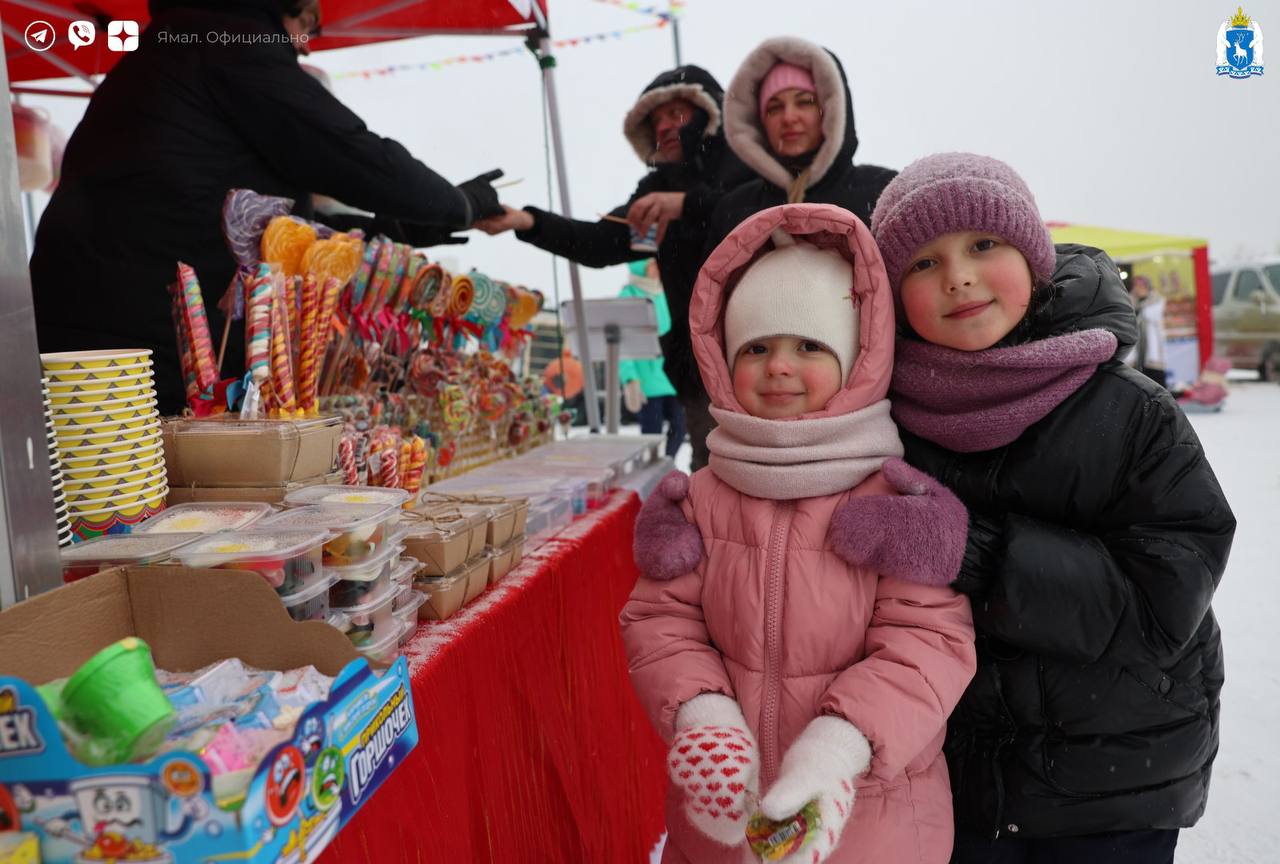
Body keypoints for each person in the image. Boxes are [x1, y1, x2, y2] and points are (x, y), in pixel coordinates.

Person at [870, 153, 1236, 864]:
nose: (959, 276)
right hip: (957, 787)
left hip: (1114, 786)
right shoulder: (887, 423)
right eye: (922, 263)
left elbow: (1164, 600)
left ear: (1033, 259)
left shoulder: (1129, 411)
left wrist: (976, 554)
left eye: (984, 245)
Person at [622, 203, 977, 864]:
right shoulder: (699, 497)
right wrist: (702, 714)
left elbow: (930, 639)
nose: (779, 367)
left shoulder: (892, 498)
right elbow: (658, 619)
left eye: (809, 346)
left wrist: (843, 744)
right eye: (756, 348)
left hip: (869, 816)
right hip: (725, 818)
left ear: (856, 361)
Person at [31, 0, 505, 414]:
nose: (307, 44)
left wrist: (396, 229)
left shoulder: (167, 51)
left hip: (86, 325)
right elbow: (352, 155)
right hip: (141, 339)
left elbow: (253, 220)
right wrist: (459, 203)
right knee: (151, 504)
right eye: (309, 23)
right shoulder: (233, 46)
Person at [476, 65, 751, 470]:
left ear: (710, 114)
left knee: (780, 481)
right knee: (715, 482)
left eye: (676, 114)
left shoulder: (746, 164)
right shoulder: (655, 192)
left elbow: (762, 211)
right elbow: (600, 243)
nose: (663, 126)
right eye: (655, 119)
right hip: (701, 372)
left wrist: (687, 206)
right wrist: (528, 222)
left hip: (762, 352)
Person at [618, 259, 686, 458]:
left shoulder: (665, 293)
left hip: (671, 377)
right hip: (645, 380)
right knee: (651, 436)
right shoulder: (628, 296)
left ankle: (665, 465)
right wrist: (630, 379)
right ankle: (652, 471)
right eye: (651, 266)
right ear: (639, 268)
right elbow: (621, 342)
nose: (657, 269)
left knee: (680, 427)